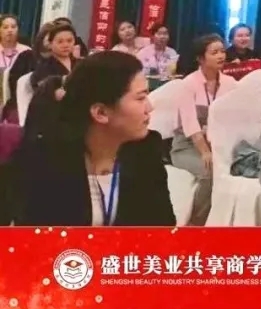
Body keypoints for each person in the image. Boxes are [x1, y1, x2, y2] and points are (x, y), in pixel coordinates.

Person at [13, 51, 175, 226]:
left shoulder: (145, 150)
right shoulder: (45, 160)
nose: (149, 107)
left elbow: (162, 228)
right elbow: (35, 234)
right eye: (140, 98)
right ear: (100, 113)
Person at [170, 34, 238, 226]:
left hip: (218, 144)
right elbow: (190, 125)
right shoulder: (188, 84)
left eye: (222, 51)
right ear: (200, 58)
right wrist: (205, 152)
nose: (221, 56)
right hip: (187, 146)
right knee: (210, 172)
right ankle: (196, 223)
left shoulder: (231, 83)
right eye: (214, 53)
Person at [4, 23, 54, 115]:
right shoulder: (26, 56)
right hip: (21, 102)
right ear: (42, 37)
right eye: (50, 38)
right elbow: (14, 82)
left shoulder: (59, 61)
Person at [30, 24, 79, 89]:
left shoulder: (81, 63)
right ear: (50, 44)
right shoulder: (44, 67)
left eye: (69, 41)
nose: (66, 45)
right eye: (60, 42)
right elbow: (40, 89)